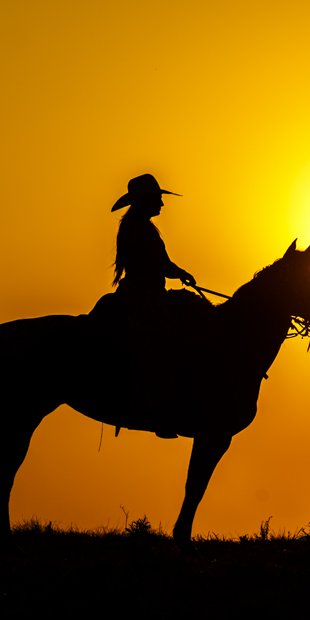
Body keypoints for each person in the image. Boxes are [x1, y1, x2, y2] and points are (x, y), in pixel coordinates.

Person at [107, 174, 196, 438]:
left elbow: (160, 263)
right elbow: (160, 264)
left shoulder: (137, 226)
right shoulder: (141, 229)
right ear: (147, 200)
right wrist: (180, 272)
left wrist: (177, 272)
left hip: (144, 290)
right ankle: (159, 407)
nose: (162, 204)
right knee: (165, 339)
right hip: (143, 294)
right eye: (158, 198)